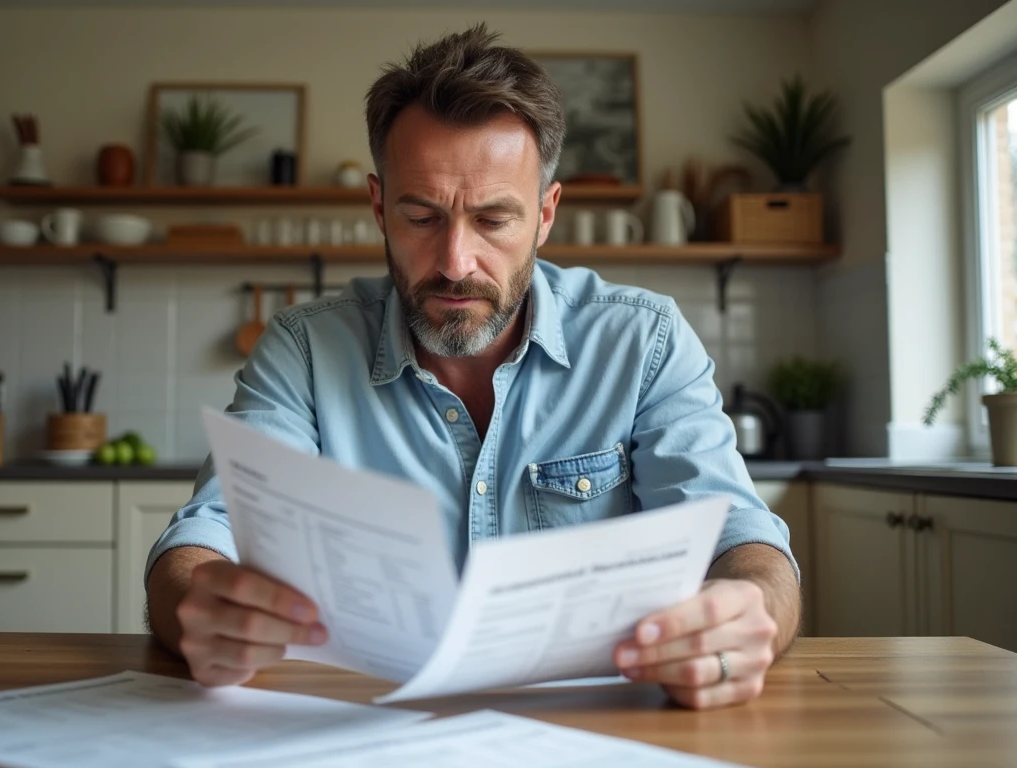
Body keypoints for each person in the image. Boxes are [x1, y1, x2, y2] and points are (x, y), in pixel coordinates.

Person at [146, 23, 799, 711]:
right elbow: (204, 534)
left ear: (546, 214)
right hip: (359, 730)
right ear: (378, 207)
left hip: (597, 735)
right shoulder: (303, 351)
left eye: (493, 220)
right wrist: (196, 598)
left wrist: (751, 608)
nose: (456, 263)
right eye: (422, 217)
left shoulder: (646, 343)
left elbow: (742, 539)